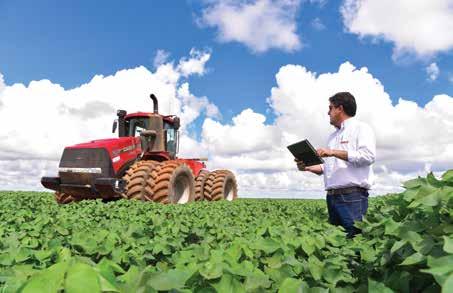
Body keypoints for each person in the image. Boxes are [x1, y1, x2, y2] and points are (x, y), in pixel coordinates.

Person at [296, 92, 376, 238]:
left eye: (330, 108)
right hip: (332, 197)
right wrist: (306, 167)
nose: (328, 112)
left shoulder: (361, 128)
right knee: (336, 240)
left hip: (352, 196)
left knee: (353, 240)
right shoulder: (332, 137)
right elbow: (327, 168)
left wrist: (332, 152)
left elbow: (368, 156)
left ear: (340, 108)